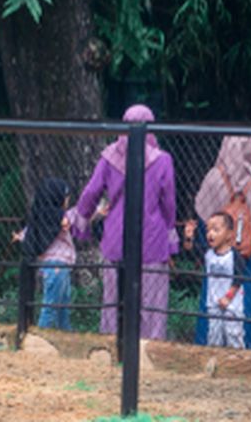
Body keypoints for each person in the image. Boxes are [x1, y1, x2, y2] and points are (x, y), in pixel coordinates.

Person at [75, 104, 177, 341]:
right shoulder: (162, 160)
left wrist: (82, 223)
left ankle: (112, 346)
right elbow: (169, 203)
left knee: (114, 298)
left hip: (116, 237)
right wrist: (170, 236)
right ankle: (148, 349)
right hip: (151, 238)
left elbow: (91, 192)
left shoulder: (109, 157)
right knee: (151, 302)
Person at [187, 135, 251, 349]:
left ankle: (207, 348)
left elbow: (204, 221)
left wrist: (205, 248)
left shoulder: (213, 178)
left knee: (212, 301)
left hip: (218, 252)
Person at [14, 177, 91, 331]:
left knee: (61, 305)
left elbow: (30, 232)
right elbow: (77, 214)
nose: (67, 200)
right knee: (51, 306)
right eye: (66, 197)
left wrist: (19, 236)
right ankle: (42, 335)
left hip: (54, 268)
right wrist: (96, 211)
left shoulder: (41, 216)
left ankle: (66, 334)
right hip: (58, 267)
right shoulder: (61, 217)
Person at [189, 210, 247, 348]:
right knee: (214, 335)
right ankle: (215, 361)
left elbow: (239, 278)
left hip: (232, 305)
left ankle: (236, 362)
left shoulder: (234, 256)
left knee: (233, 333)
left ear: (229, 234)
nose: (210, 234)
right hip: (214, 303)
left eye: (216, 230)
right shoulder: (208, 253)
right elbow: (190, 250)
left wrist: (228, 297)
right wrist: (189, 237)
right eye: (208, 230)